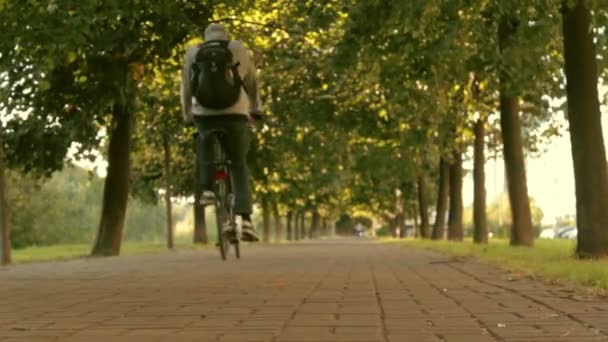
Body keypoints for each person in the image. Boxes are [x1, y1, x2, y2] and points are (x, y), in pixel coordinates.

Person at [181, 23, 263, 242]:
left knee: (204, 143)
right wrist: (256, 109)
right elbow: (251, 80)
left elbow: (187, 86)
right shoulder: (236, 47)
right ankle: (245, 220)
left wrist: (188, 114)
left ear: (205, 38)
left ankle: (207, 189)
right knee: (238, 163)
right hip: (236, 113)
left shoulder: (194, 52)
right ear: (225, 35)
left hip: (204, 113)